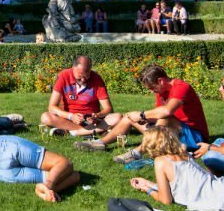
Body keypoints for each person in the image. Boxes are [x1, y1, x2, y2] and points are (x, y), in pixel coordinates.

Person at [78, 63, 212, 158]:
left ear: (160, 81)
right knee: (128, 117)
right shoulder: (161, 91)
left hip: (195, 137)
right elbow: (157, 113)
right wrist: (143, 118)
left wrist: (142, 114)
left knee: (165, 117)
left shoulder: (181, 87)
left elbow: (166, 112)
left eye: (152, 88)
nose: (152, 91)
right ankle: (101, 143)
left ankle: (138, 152)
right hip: (173, 132)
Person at [42, 55, 120, 136]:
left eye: (86, 77)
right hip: (68, 120)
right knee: (45, 117)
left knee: (118, 117)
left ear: (90, 70)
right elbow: (52, 107)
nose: (83, 80)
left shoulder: (96, 78)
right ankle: (96, 131)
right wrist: (70, 116)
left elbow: (108, 109)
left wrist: (97, 116)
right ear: (73, 68)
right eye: (79, 78)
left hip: (92, 121)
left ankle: (72, 132)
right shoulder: (63, 76)